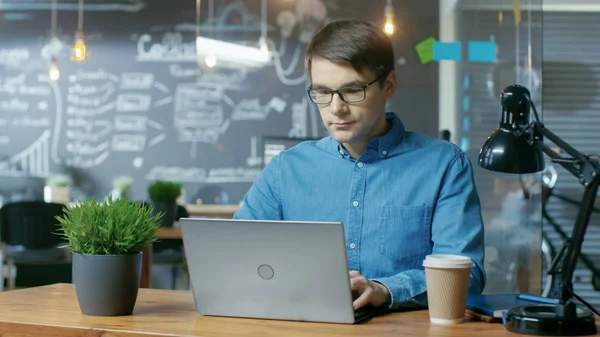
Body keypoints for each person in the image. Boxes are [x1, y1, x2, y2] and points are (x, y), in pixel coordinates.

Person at [234, 18, 486, 311]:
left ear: (388, 85)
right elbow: (239, 258)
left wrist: (385, 289)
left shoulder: (444, 165)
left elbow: (468, 275)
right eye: (323, 92)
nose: (336, 108)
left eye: (352, 90)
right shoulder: (285, 170)